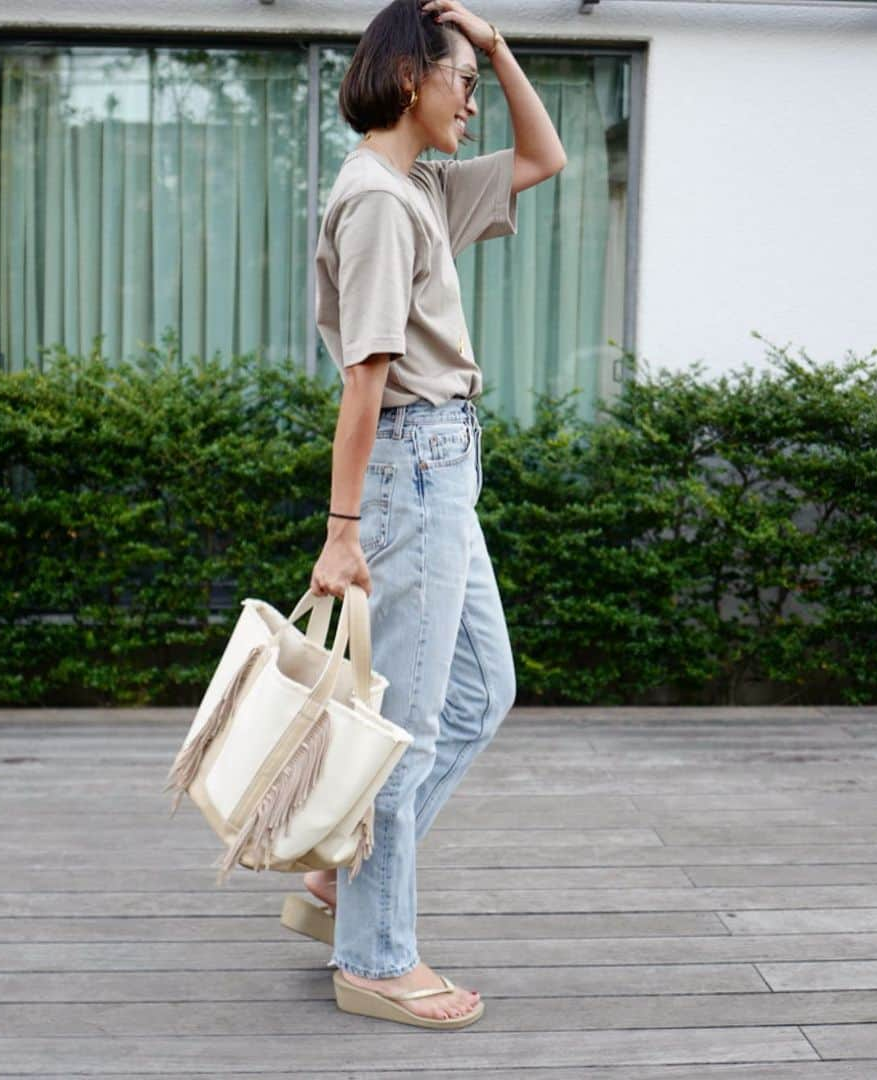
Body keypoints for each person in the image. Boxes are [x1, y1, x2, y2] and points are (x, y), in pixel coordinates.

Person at [301, 0, 565, 1029]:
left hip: (446, 467)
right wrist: (342, 528)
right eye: (459, 78)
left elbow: (542, 157)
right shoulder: (376, 201)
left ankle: (341, 876)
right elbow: (365, 379)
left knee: (480, 690)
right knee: (400, 731)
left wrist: (496, 47)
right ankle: (374, 955)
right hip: (411, 468)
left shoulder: (420, 188)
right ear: (411, 79)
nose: (471, 99)